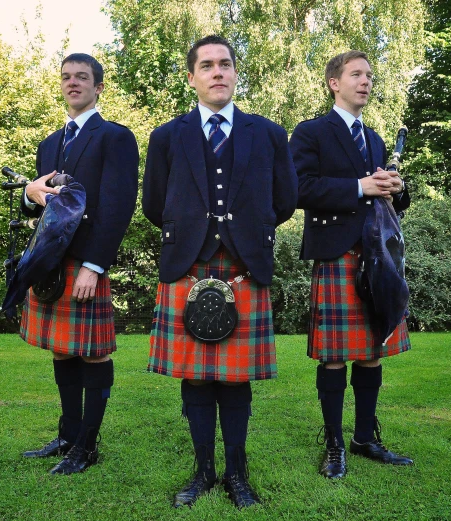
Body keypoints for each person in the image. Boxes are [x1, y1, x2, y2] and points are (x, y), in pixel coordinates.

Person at [142, 35, 297, 508]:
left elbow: (285, 200)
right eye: (206, 65)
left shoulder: (267, 133)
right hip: (188, 264)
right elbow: (154, 204)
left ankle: (237, 471)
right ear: (192, 77)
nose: (217, 72)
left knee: (235, 378)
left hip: (244, 265)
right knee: (196, 377)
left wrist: (248, 233)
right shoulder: (168, 136)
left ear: (235, 73)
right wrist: (191, 234)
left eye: (225, 64)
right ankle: (203, 470)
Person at [289, 50, 413, 480]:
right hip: (338, 252)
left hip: (377, 255)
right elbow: (298, 189)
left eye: (369, 75)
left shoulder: (376, 138)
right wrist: (360, 186)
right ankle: (334, 443)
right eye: (356, 74)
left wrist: (396, 188)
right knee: (335, 357)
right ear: (333, 83)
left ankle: (364, 436)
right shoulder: (310, 133)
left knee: (373, 351)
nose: (366, 81)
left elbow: (391, 198)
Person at [19, 53, 138, 475]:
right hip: (52, 264)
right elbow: (44, 206)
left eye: (82, 77)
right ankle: (68, 435)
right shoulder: (49, 143)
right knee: (63, 350)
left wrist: (95, 264)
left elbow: (118, 206)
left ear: (98, 86)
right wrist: (28, 195)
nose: (73, 83)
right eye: (66, 77)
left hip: (85, 262)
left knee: (91, 354)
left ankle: (87, 445)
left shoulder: (115, 138)